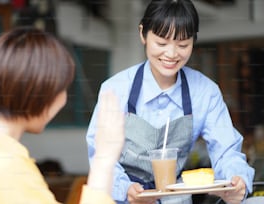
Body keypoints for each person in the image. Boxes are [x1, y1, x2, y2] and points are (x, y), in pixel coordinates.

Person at [86, 0, 255, 203]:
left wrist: (237, 180)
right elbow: (100, 155)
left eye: (183, 44)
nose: (172, 54)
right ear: (143, 34)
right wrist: (125, 189)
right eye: (162, 43)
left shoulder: (205, 92)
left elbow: (226, 150)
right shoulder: (116, 89)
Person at [0, 27, 124, 203]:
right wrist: (104, 159)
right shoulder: (5, 168)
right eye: (62, 88)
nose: (63, 100)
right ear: (39, 89)